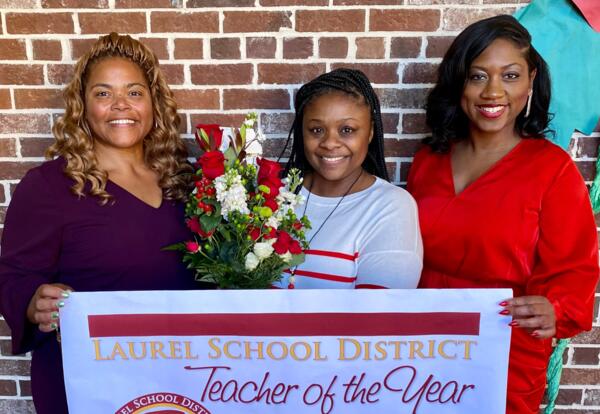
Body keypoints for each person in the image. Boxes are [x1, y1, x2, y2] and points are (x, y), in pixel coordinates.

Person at [407, 15, 599, 414]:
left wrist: (557, 307)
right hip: (423, 349)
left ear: (531, 81)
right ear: (459, 82)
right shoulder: (428, 161)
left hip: (504, 358)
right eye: (478, 76)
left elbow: (576, 269)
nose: (493, 92)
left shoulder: (553, 169)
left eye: (510, 76)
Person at [0, 33, 199, 414]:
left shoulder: (187, 183)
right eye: (104, 94)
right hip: (89, 384)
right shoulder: (48, 186)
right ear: (82, 106)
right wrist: (33, 303)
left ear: (154, 103)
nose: (120, 105)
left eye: (135, 93)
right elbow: (14, 276)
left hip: (183, 379)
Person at [275, 68, 423, 289]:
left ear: (370, 132)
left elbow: (379, 316)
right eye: (316, 130)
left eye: (347, 130)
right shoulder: (276, 195)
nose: (330, 143)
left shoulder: (391, 206)